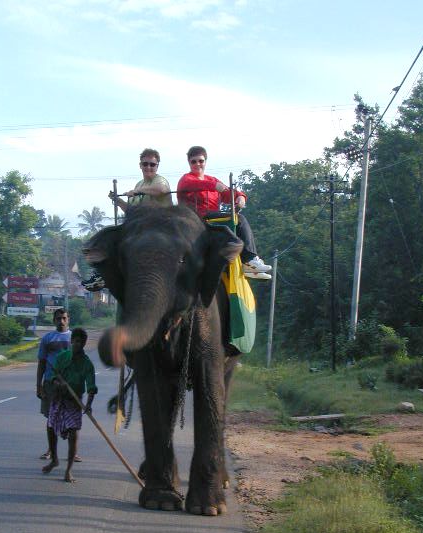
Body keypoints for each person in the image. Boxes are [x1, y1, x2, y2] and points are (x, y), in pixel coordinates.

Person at [82, 148, 173, 291]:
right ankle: (101, 272)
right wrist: (118, 201)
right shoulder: (139, 184)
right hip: (139, 226)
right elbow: (131, 211)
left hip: (158, 227)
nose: (148, 167)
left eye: (152, 164)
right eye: (145, 164)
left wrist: (138, 191)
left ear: (157, 166)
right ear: (140, 165)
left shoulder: (159, 181)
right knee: (107, 235)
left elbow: (161, 190)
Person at [177, 146, 271, 280]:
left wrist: (240, 197)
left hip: (214, 218)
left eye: (201, 161)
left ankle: (248, 264)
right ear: (189, 163)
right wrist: (215, 186)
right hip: (197, 218)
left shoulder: (212, 180)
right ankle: (250, 260)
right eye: (194, 161)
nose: (198, 164)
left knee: (237, 222)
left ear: (205, 162)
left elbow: (227, 193)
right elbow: (192, 185)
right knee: (239, 219)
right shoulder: (186, 179)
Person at [42, 328, 97, 483]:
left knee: (73, 434)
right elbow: (53, 377)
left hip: (74, 402)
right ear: (71, 341)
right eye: (76, 341)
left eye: (81, 342)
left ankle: (68, 470)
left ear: (84, 344)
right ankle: (54, 459)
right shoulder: (62, 357)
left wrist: (88, 404)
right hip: (58, 399)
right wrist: (58, 384)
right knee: (51, 427)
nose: (78, 344)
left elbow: (91, 387)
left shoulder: (87, 364)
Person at [36, 308, 76, 460]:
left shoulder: (74, 338)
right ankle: (51, 450)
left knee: (71, 418)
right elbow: (42, 362)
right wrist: (39, 386)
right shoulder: (47, 338)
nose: (61, 321)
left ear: (68, 319)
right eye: (58, 318)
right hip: (51, 383)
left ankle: (73, 452)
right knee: (51, 418)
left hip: (70, 385)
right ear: (54, 320)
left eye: (64, 318)